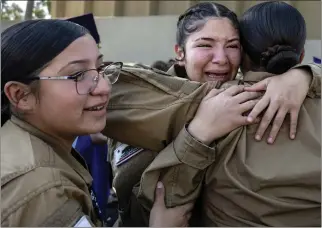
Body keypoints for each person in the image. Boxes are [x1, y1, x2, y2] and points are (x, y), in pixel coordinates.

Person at [101, 1, 321, 226]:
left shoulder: (248, 101)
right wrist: (199, 131)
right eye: (206, 45)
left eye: (232, 46)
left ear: (245, 53)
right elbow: (137, 209)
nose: (221, 58)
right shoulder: (150, 103)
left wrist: (304, 75)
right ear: (180, 52)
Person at [0, 19, 193, 227]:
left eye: (100, 69)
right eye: (77, 75)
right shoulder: (42, 191)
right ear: (20, 95)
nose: (104, 87)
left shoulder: (33, 146)